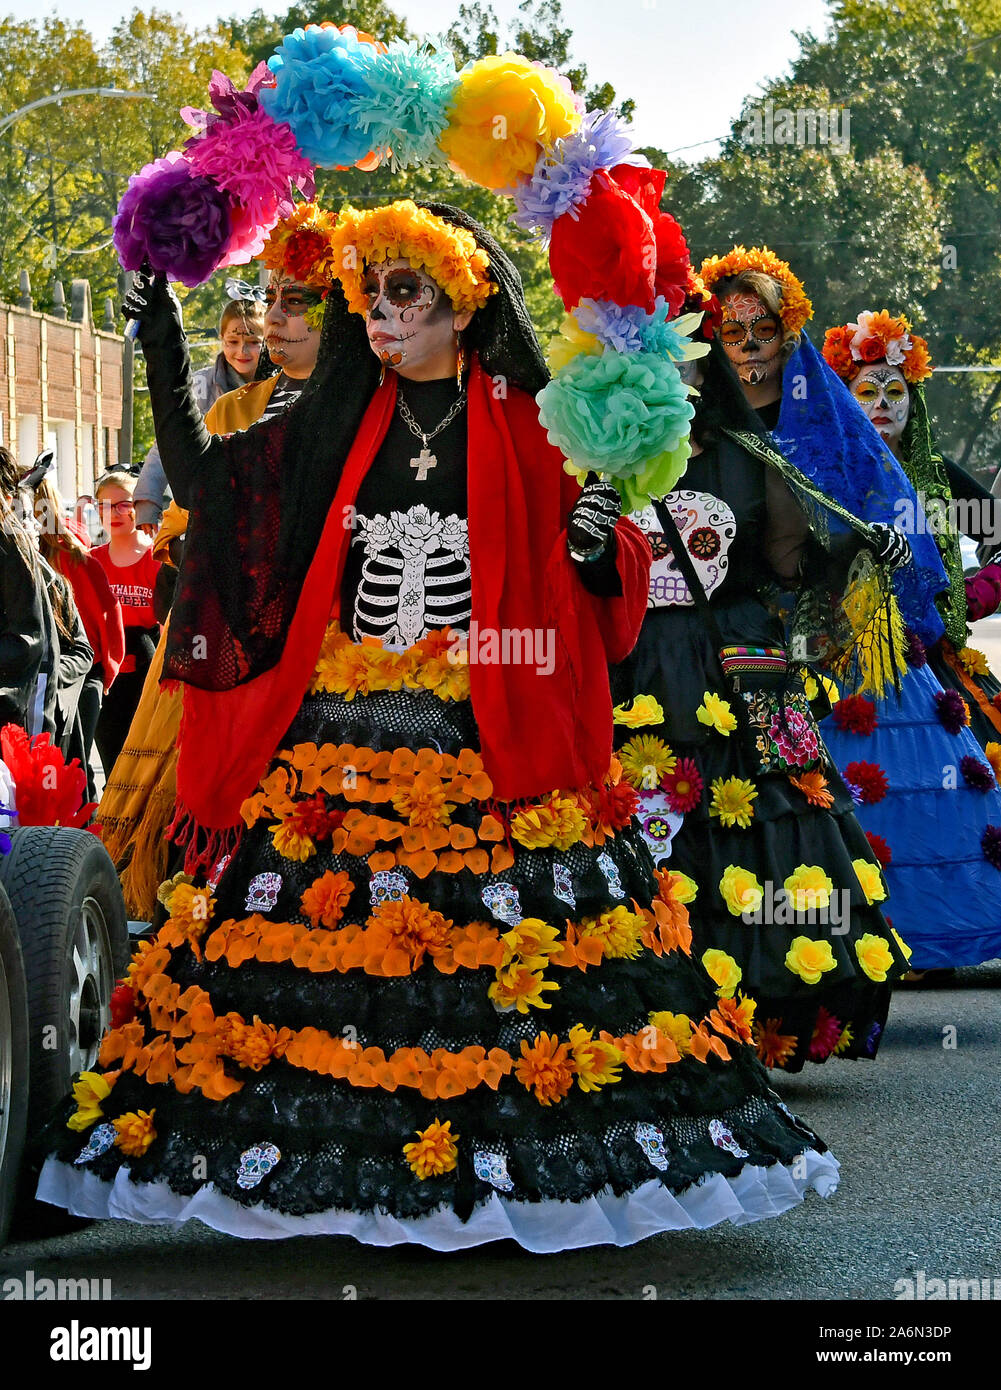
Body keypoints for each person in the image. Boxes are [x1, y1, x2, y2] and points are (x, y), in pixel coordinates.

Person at [39, 200, 841, 1250]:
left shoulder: (530, 417)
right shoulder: (338, 414)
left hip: (491, 727)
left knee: (507, 970)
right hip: (339, 727)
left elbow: (604, 587)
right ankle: (318, 1175)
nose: (379, 313)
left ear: (463, 303)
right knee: (313, 959)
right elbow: (212, 490)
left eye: (404, 293)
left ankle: (504, 1169)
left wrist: (599, 547)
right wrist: (156, 340)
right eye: (367, 295)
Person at [610, 278, 910, 1071]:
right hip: (627, 665)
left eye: (688, 363)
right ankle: (634, 1011)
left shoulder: (749, 457)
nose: (675, 379)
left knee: (761, 825)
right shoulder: (598, 462)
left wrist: (858, 548)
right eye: (657, 366)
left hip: (739, 669)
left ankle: (748, 1014)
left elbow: (789, 565)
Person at [98, 218, 325, 921]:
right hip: (226, 631)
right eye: (270, 302)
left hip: (338, 658)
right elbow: (192, 486)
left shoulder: (381, 405)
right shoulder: (237, 408)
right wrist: (163, 337)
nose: (272, 322)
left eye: (296, 304)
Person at [816, 311, 1001, 973]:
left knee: (940, 799)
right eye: (865, 392)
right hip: (834, 662)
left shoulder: (938, 475)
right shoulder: (816, 469)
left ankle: (937, 940)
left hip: (928, 665)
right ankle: (855, 946)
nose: (882, 405)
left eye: (894, 392)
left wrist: (968, 598)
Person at [28, 467, 125, 798]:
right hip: (57, 669)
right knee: (69, 762)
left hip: (83, 666)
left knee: (76, 761)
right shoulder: (27, 557)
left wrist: (109, 669)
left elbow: (111, 610)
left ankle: (84, 837)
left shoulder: (77, 558)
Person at [134, 289, 265, 531]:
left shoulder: (283, 383)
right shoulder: (200, 386)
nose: (242, 352)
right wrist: (147, 500)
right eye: (233, 342)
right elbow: (169, 438)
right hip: (209, 501)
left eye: (253, 343)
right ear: (222, 339)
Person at [91, 470, 161, 775]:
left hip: (146, 679)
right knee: (113, 766)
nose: (114, 513)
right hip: (106, 679)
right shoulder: (90, 561)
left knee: (144, 767)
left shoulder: (157, 561)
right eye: (106, 506)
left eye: (124, 504)